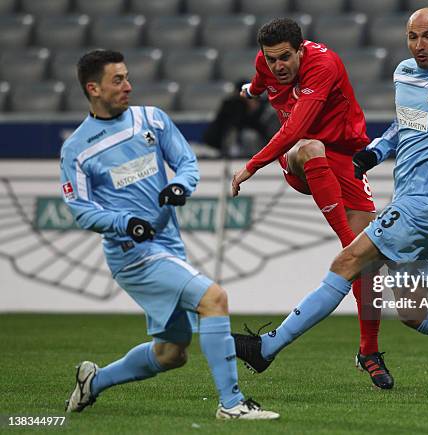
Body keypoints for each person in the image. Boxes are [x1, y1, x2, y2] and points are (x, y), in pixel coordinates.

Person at [232, 8, 428, 398]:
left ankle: (266, 348)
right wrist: (375, 152)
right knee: (414, 313)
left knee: (347, 262)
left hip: (422, 205)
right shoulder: (405, 74)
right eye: (413, 37)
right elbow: (406, 124)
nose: (419, 45)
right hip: (421, 207)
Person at [60, 49, 278, 420]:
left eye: (127, 77)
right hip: (133, 252)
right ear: (92, 88)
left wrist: (180, 185)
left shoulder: (152, 119)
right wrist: (123, 222)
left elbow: (186, 162)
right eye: (118, 80)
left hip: (168, 244)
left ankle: (92, 382)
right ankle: (232, 405)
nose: (128, 86)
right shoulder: (77, 149)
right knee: (214, 298)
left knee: (171, 354)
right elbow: (81, 209)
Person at [230, 18, 393, 389]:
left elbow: (294, 123)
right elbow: (274, 105)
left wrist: (251, 165)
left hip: (346, 159)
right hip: (302, 158)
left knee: (367, 267)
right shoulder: (265, 64)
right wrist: (251, 91)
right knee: (310, 148)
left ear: (301, 50)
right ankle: (348, 242)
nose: (278, 66)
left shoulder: (324, 64)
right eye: (271, 59)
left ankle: (369, 351)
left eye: (285, 57)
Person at [203, 79, 279, 158]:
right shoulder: (232, 107)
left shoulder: (267, 109)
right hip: (229, 151)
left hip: (262, 151)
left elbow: (270, 135)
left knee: (249, 135)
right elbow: (216, 134)